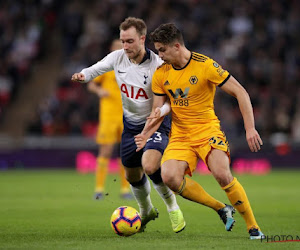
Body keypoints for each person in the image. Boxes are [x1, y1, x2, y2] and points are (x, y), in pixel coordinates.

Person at [135, 23, 265, 240]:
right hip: (180, 135)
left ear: (176, 46)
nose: (159, 55)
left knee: (222, 174)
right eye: (157, 50)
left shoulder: (205, 65)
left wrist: (250, 128)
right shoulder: (161, 74)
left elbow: (241, 92)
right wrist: (147, 132)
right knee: (169, 177)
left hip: (207, 130)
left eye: (162, 50)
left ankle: (253, 227)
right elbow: (157, 111)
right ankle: (221, 208)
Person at [71, 17, 186, 233]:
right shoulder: (118, 58)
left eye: (130, 41)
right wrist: (83, 75)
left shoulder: (159, 65)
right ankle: (147, 210)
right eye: (123, 41)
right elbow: (97, 68)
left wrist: (158, 113)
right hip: (131, 126)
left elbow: (171, 101)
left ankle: (173, 208)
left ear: (142, 39)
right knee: (132, 175)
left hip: (155, 124)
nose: (125, 46)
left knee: (150, 165)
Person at [87, 39, 133, 200]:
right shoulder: (106, 66)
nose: (122, 49)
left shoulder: (131, 67)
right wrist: (99, 91)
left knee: (126, 154)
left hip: (127, 116)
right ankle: (99, 189)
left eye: (123, 47)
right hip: (108, 116)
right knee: (105, 151)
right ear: (111, 49)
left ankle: (125, 190)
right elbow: (91, 85)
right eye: (118, 47)